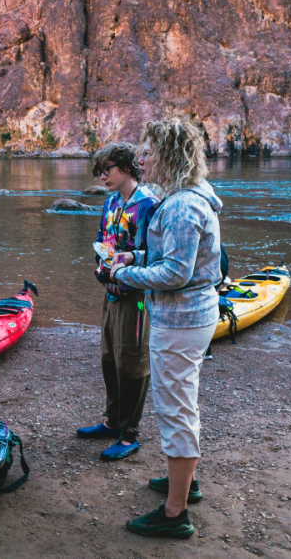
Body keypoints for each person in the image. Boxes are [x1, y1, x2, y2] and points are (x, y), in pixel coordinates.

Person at [109, 117, 222, 539]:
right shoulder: (191, 196)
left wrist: (127, 276)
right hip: (191, 316)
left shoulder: (180, 205)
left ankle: (175, 514)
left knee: (175, 408)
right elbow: (172, 256)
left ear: (171, 156)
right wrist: (135, 258)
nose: (143, 158)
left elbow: (175, 272)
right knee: (182, 400)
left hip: (181, 319)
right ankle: (185, 483)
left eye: (150, 151)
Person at [76, 143, 158, 461]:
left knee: (133, 363)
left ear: (125, 167)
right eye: (99, 171)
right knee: (109, 359)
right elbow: (102, 241)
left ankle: (129, 434)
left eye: (106, 169)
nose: (102, 175)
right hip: (110, 293)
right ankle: (112, 422)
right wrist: (100, 271)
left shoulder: (149, 204)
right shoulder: (111, 201)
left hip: (137, 297)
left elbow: (158, 255)